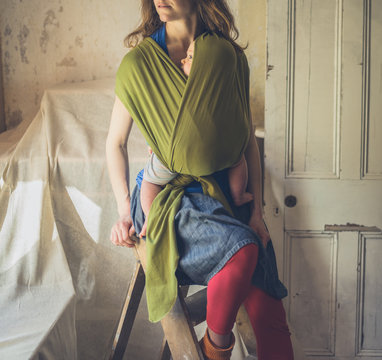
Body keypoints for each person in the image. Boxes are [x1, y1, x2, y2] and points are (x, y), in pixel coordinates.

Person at [106, 1, 294, 359]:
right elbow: (114, 143)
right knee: (242, 250)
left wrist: (257, 213)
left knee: (267, 304)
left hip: (226, 194)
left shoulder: (225, 57)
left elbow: (246, 140)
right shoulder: (141, 65)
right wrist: (123, 212)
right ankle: (215, 349)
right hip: (169, 201)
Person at [138, 39, 253, 239]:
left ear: (205, 69)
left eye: (190, 57)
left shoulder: (179, 92)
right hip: (223, 152)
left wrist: (152, 144)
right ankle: (238, 195)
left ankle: (151, 217)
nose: (183, 59)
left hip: (176, 154)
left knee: (150, 182)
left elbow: (163, 123)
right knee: (238, 158)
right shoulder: (226, 93)